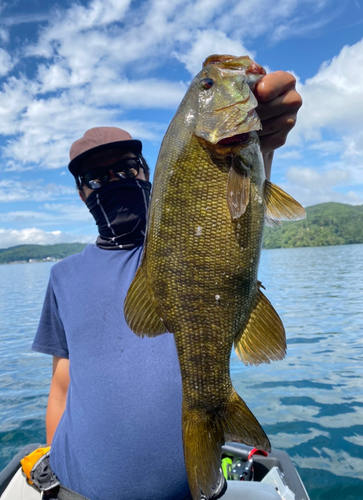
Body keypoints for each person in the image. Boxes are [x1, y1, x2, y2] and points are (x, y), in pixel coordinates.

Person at [31, 71, 302, 500]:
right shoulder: (61, 276)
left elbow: (231, 225)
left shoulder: (170, 252)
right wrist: (49, 455)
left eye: (126, 167)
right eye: (96, 178)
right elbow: (61, 384)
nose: (115, 181)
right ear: (82, 193)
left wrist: (261, 146)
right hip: (71, 488)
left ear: (147, 171)